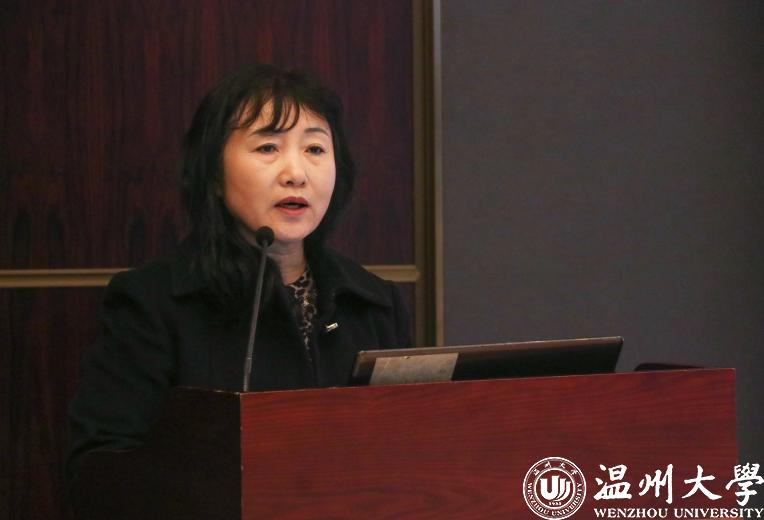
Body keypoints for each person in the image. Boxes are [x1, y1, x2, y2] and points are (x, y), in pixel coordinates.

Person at [66, 64, 411, 495]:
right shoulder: (153, 304)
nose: (296, 173)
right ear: (213, 173)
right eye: (268, 147)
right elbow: (97, 473)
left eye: (315, 149)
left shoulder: (374, 303)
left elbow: (413, 452)